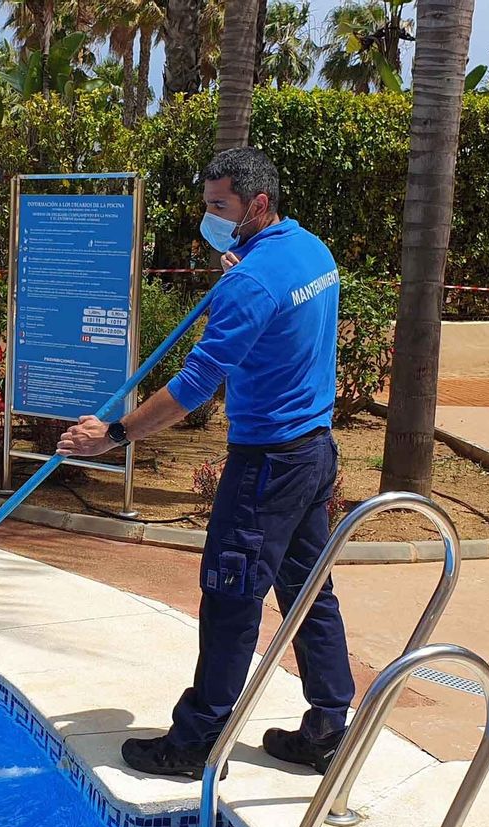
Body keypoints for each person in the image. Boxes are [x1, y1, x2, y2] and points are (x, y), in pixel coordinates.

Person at [57, 147, 350, 780]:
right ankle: (329, 725)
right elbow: (278, 306)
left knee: (230, 596)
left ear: (258, 205)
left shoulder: (249, 282)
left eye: (220, 207)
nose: (209, 216)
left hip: (267, 463)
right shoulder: (310, 252)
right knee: (307, 590)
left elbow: (194, 386)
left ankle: (194, 743)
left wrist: (114, 434)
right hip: (313, 452)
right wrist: (243, 264)